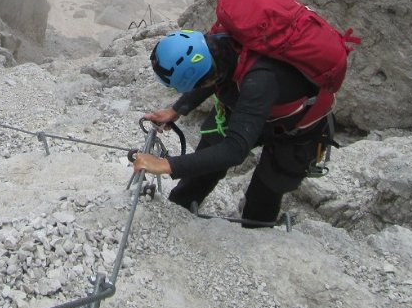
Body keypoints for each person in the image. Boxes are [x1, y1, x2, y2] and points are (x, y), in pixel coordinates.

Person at [130, 29, 331, 226]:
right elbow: (206, 76)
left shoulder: (259, 80)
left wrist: (165, 164)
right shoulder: (218, 45)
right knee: (207, 157)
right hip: (247, 104)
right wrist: (177, 109)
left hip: (295, 129)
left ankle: (254, 231)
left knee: (267, 188)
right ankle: (178, 211)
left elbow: (235, 151)